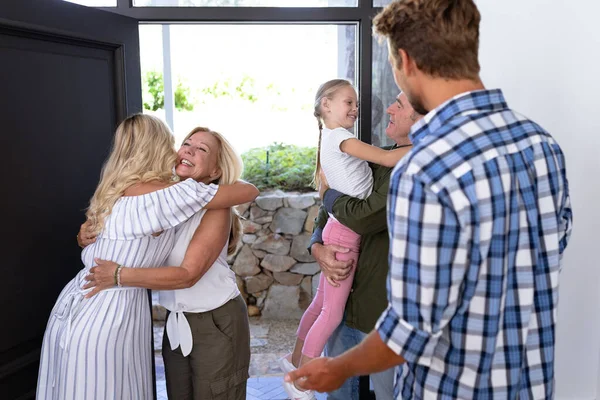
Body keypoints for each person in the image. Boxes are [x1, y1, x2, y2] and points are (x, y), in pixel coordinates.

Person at [287, 1, 573, 399]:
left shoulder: (425, 166)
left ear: (406, 61)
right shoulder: (542, 145)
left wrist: (338, 368)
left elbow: (413, 326)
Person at [36, 115, 258, 400]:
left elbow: (189, 273)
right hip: (174, 320)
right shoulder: (163, 195)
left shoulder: (203, 203)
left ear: (215, 169)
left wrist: (118, 275)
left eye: (202, 149)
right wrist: (87, 237)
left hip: (213, 318)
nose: (188, 149)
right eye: (185, 144)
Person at [279, 79, 412, 400]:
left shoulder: (405, 166)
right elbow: (333, 213)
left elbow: (363, 216)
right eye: (348, 102)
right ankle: (299, 375)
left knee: (384, 392)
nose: (388, 109)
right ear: (326, 104)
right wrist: (317, 246)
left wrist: (329, 196)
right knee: (340, 393)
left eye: (399, 105)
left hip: (373, 312)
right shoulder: (378, 153)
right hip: (348, 301)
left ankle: (297, 369)